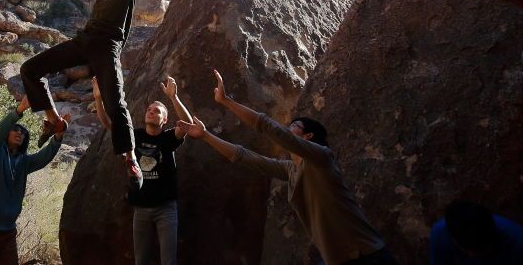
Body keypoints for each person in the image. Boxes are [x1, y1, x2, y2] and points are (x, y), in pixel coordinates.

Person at [177, 70, 395, 265]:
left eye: (295, 127)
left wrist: (226, 101)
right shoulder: (291, 169)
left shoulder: (322, 158)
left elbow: (269, 128)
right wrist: (205, 136)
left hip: (367, 256)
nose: (288, 129)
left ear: (308, 137)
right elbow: (244, 157)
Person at [20, 0, 155, 190]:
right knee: (30, 69)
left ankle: (130, 158)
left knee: (116, 103)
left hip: (107, 46)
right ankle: (53, 120)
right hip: (85, 39)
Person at [93, 75, 192, 265]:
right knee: (141, 260)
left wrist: (173, 98)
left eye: (157, 111)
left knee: (168, 261)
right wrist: (98, 98)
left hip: (166, 209)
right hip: (141, 209)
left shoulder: (168, 138)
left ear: (165, 119)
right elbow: (108, 124)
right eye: (149, 110)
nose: (152, 112)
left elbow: (187, 126)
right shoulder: (134, 136)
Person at [0, 96, 69, 265]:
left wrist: (58, 137)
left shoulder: (24, 162)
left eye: (23, 132)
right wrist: (19, 110)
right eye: (15, 129)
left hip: (8, 232)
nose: (19, 132)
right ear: (7, 134)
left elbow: (43, 158)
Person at [429, 200, 523, 264]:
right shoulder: (440, 234)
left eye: (484, 249)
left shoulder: (517, 240)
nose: (474, 255)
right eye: (469, 250)